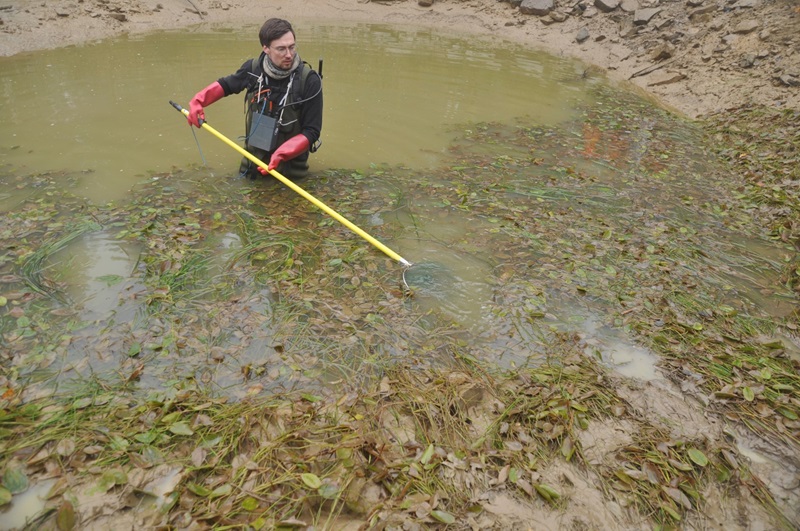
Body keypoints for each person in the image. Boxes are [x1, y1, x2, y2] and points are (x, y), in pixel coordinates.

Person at [187, 18, 322, 179]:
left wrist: (282, 154)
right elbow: (226, 85)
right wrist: (198, 101)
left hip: (290, 175)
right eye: (281, 49)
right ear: (266, 48)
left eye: (292, 47)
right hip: (251, 167)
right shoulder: (253, 69)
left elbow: (312, 132)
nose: (289, 55)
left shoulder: (309, 80)